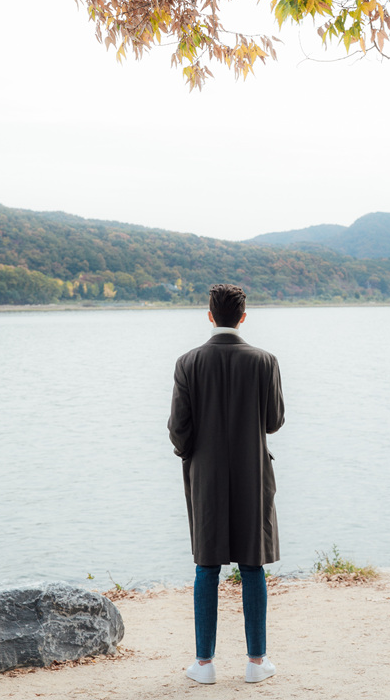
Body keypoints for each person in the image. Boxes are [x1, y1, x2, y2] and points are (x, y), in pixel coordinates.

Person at [168, 283, 285, 685]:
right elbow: (273, 422)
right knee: (252, 565)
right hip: (253, 472)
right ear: (243, 317)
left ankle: (204, 664)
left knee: (207, 566)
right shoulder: (264, 361)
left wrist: (193, 455)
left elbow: (178, 430)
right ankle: (256, 663)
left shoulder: (188, 362)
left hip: (206, 475)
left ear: (209, 314)